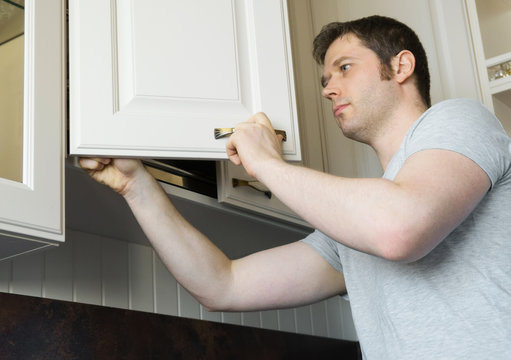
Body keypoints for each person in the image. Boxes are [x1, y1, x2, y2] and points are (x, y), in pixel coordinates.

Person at [80, 15, 511, 359]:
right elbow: (221, 285)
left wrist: (264, 163)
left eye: (344, 68)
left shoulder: (462, 119)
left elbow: (400, 229)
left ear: (400, 66)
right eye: (325, 80)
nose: (328, 89)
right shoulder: (352, 231)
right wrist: (136, 186)